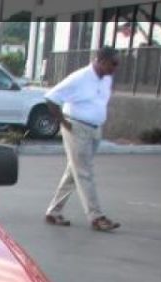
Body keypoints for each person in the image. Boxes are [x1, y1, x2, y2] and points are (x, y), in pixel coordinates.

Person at [43, 47, 121, 232]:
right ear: (101, 61)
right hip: (76, 127)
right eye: (113, 64)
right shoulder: (79, 78)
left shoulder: (106, 79)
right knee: (85, 172)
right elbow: (51, 98)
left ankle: (53, 212)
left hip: (94, 130)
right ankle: (96, 216)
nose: (115, 68)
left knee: (75, 171)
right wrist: (63, 122)